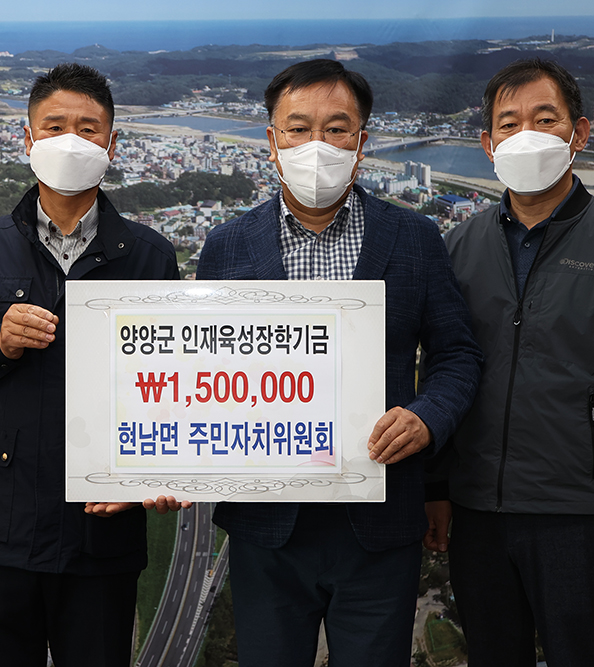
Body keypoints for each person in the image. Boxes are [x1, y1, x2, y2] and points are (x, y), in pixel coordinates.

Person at [194, 59, 482, 667]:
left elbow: (455, 354)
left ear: (362, 142)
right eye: (298, 129)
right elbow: (201, 376)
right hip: (266, 525)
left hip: (378, 520)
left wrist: (427, 416)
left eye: (336, 129)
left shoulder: (414, 238)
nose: (316, 145)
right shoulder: (226, 246)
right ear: (271, 143)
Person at [0, 63, 188, 667]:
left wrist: (165, 474)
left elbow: (175, 387)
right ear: (27, 138)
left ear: (112, 144)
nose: (71, 140)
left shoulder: (148, 255)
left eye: (89, 128)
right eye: (54, 125)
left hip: (101, 530)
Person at [423, 58, 594, 666]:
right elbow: (439, 370)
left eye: (546, 119)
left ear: (580, 133)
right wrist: (436, 486)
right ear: (487, 144)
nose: (527, 136)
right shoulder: (459, 246)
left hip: (581, 514)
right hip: (476, 511)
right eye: (508, 124)